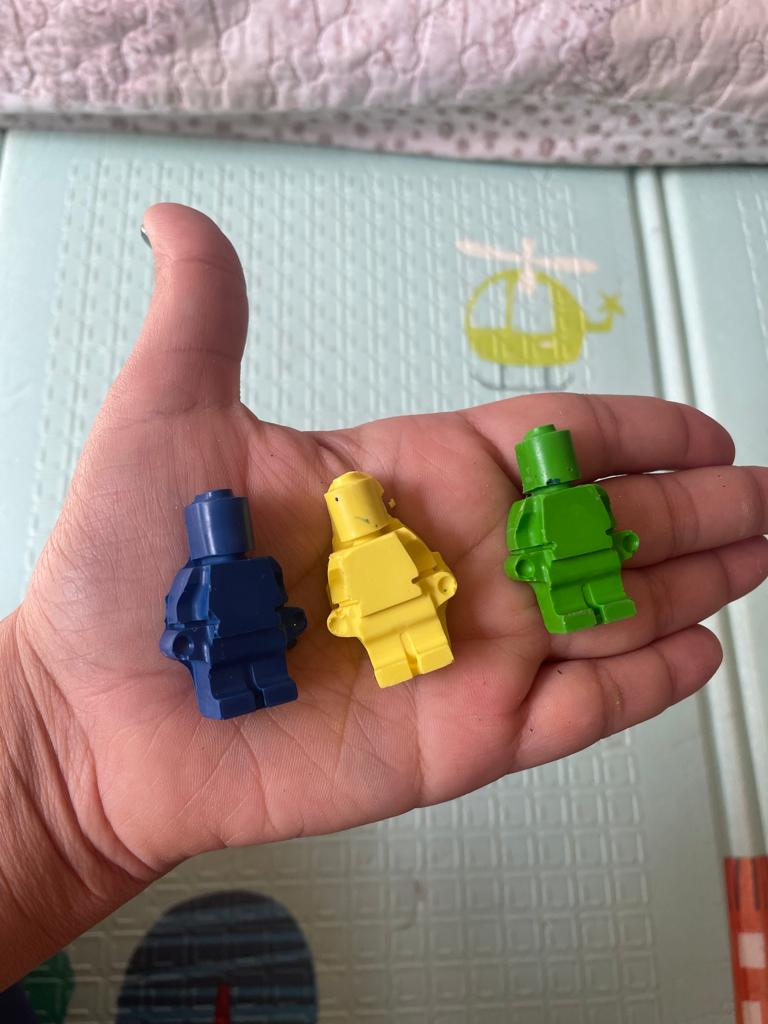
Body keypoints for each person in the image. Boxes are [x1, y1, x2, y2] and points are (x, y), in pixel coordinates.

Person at [1, 203, 766, 990]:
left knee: (477, 629)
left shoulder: (439, 529)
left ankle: (454, 633)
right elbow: (225, 609)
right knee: (318, 670)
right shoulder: (241, 570)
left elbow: (465, 556)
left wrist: (439, 583)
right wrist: (71, 715)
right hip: (270, 646)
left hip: (444, 603)